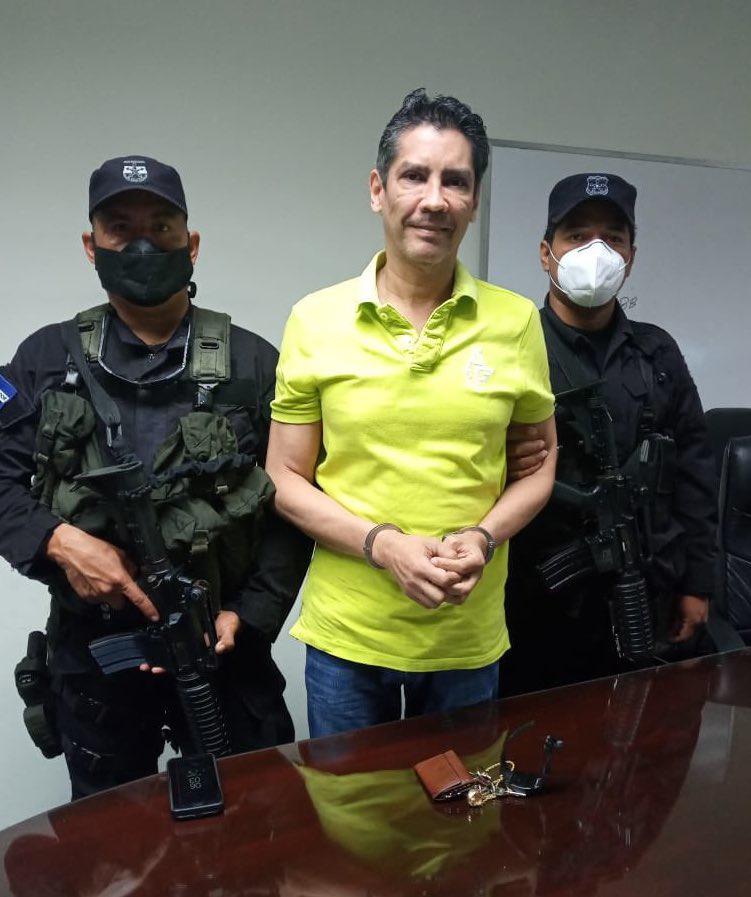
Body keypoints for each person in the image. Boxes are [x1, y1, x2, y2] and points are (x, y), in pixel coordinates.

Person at [0, 155, 311, 797]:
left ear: (190, 244)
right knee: (112, 835)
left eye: (160, 227)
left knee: (252, 823)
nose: (142, 245)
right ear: (92, 246)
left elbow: (295, 500)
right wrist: (59, 541)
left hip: (222, 647)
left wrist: (250, 614)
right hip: (94, 652)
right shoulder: (43, 358)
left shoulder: (254, 363)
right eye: (120, 228)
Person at [266, 89, 557, 737]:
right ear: (378, 189)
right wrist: (384, 545)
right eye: (414, 176)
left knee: (460, 804)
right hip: (348, 638)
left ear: (473, 201)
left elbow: (540, 466)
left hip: (465, 639)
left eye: (455, 181)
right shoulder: (315, 319)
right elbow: (283, 476)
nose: (434, 199)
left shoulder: (515, 323)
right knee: (349, 803)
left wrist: (482, 537)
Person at [499, 172, 717, 695]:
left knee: (653, 735)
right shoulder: (508, 348)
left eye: (612, 238)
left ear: (630, 258)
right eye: (577, 235)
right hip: (539, 604)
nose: (595, 251)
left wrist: (698, 585)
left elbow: (695, 474)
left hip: (649, 590)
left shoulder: (656, 353)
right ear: (546, 253)